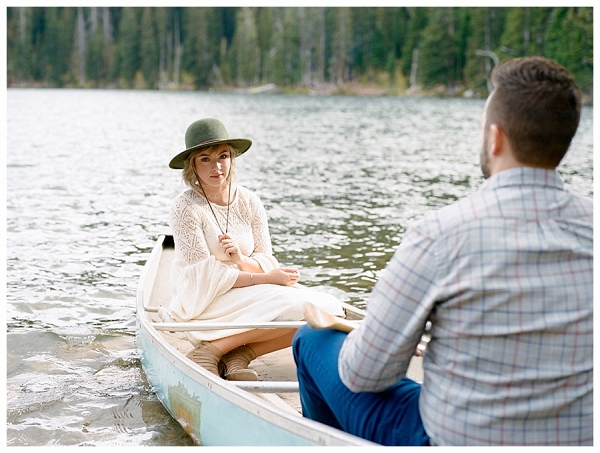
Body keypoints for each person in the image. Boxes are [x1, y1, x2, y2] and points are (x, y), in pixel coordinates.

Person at [293, 56, 592, 446]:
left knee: (311, 341)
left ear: (495, 138)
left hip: (454, 440)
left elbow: (364, 375)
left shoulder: (439, 234)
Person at [168, 118, 344, 381]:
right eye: (205, 159)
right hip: (205, 295)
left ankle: (239, 355)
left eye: (223, 156)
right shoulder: (185, 207)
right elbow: (203, 277)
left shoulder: (249, 201)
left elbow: (265, 258)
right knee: (291, 304)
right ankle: (208, 352)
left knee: (331, 310)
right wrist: (267, 279)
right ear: (192, 164)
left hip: (247, 284)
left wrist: (240, 258)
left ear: (231, 159)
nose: (216, 167)